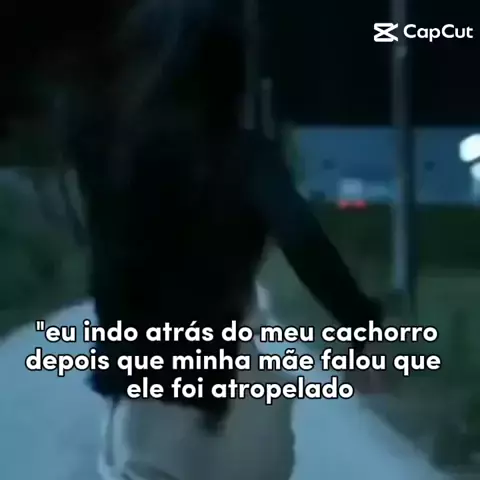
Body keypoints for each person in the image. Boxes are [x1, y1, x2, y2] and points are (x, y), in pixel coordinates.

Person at [1, 1, 383, 479]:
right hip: (224, 393)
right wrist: (361, 322)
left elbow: (78, 104)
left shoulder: (108, 147)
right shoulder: (244, 154)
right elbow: (302, 235)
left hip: (139, 396)